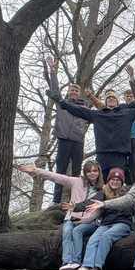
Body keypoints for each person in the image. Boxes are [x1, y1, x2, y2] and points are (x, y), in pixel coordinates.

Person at [46, 82, 135, 184]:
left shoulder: (127, 114)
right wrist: (61, 101)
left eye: (114, 98)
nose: (111, 99)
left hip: (120, 156)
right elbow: (78, 110)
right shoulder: (97, 115)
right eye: (108, 99)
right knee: (101, 184)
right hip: (102, 156)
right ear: (105, 103)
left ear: (118, 102)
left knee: (116, 181)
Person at [17, 160, 103, 270]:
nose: (92, 174)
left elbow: (98, 209)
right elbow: (56, 177)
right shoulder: (77, 182)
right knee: (67, 232)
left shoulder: (102, 189)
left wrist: (85, 220)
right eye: (89, 171)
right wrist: (36, 170)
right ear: (85, 173)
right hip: (71, 217)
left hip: (88, 220)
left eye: (94, 171)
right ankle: (67, 262)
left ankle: (76, 261)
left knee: (77, 232)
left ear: (99, 172)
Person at [68, 168, 133, 270]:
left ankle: (95, 269)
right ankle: (86, 267)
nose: (115, 182)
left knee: (106, 236)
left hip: (122, 223)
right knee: (93, 239)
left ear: (122, 182)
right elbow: (90, 202)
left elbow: (129, 204)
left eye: (118, 180)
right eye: (113, 179)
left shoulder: (127, 192)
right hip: (106, 223)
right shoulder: (104, 192)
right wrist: (75, 207)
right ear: (108, 180)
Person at [43, 58, 91, 204]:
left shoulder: (85, 107)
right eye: (72, 90)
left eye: (76, 90)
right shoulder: (61, 103)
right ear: (69, 92)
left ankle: (75, 201)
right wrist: (52, 71)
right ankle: (56, 201)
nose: (74, 92)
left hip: (78, 142)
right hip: (63, 140)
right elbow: (55, 89)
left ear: (79, 93)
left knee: (77, 173)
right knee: (60, 171)